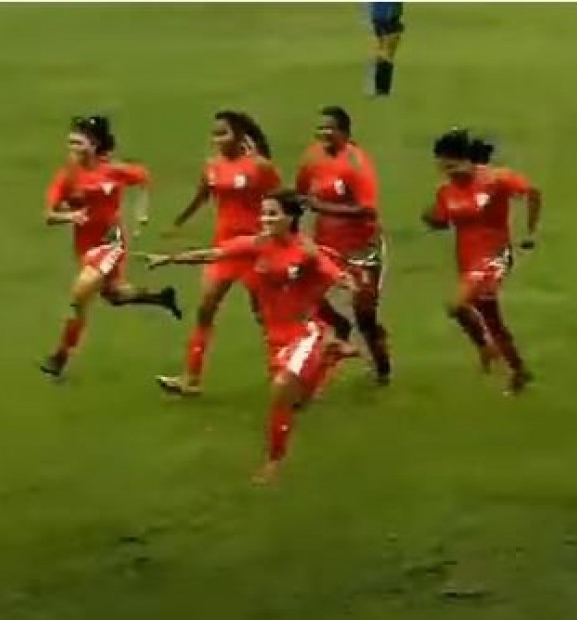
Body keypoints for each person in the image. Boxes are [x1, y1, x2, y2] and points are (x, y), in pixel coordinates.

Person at [145, 191, 357, 485]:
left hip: (305, 331)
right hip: (274, 336)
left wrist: (345, 281)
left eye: (273, 214)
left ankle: (273, 462)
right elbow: (213, 254)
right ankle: (328, 355)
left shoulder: (305, 250)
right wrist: (168, 259)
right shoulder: (256, 245)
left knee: (281, 388)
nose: (265, 219)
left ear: (291, 217)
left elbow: (329, 270)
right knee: (298, 401)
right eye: (264, 213)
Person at [40, 115, 183, 379]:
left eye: (78, 143)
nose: (72, 148)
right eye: (70, 143)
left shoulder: (113, 171)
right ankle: (160, 298)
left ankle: (60, 356)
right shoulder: (67, 177)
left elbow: (144, 179)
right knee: (114, 295)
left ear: (94, 145)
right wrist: (70, 216)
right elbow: (48, 215)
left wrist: (141, 212)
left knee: (80, 294)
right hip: (84, 245)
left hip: (111, 242)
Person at [157, 110, 282, 396]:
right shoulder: (213, 166)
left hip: (255, 248)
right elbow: (202, 195)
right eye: (214, 134)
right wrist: (179, 222)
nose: (217, 140)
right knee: (205, 309)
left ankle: (283, 371)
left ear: (239, 136)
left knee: (265, 315)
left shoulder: (259, 167)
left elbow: (282, 201)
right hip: (224, 249)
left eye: (223, 133)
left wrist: (277, 236)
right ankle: (191, 378)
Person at [423, 129, 541, 394]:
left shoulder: (496, 179)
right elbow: (442, 219)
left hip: (494, 256)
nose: (446, 171)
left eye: (449, 165)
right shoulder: (446, 191)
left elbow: (532, 193)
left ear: (464, 160)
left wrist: (530, 233)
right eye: (442, 166)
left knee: (456, 305)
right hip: (467, 260)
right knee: (491, 318)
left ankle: (485, 348)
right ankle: (519, 371)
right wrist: (431, 219)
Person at [295, 106, 393, 384]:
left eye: (330, 128)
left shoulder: (356, 164)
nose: (324, 133)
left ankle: (382, 367)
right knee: (305, 294)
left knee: (365, 313)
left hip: (361, 248)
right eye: (320, 128)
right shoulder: (312, 157)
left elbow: (367, 209)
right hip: (327, 244)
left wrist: (320, 206)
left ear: (345, 133)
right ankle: (338, 326)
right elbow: (301, 194)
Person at [367, 2, 405, 97]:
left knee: (381, 51)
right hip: (390, 18)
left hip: (378, 18)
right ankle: (383, 89)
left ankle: (379, 88)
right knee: (387, 53)